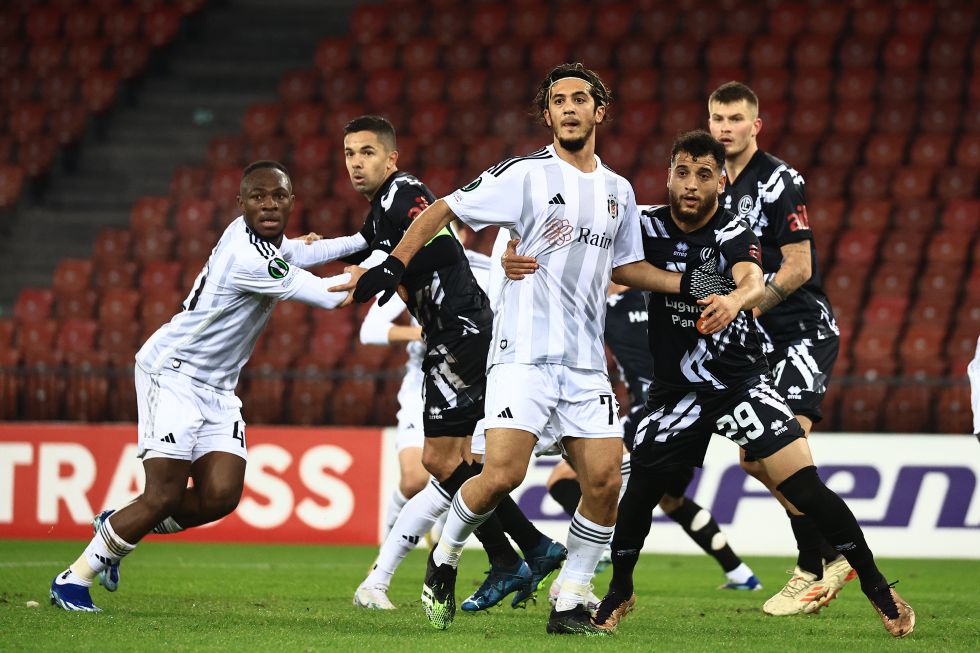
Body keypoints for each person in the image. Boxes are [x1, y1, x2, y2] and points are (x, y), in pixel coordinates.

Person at [345, 63, 720, 636]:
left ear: (601, 111)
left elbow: (626, 267)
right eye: (558, 101)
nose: (569, 108)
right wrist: (396, 262)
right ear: (547, 116)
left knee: (605, 481)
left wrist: (686, 285)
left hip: (586, 362)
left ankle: (569, 600)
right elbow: (444, 209)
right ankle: (443, 560)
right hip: (522, 357)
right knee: (499, 476)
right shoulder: (523, 174)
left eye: (580, 99)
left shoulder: (619, 192)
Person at [586, 130, 913, 639]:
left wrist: (734, 301)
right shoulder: (643, 223)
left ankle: (877, 587)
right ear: (669, 175)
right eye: (682, 173)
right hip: (676, 392)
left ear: (721, 181)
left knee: (804, 483)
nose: (691, 185)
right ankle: (621, 589)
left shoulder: (733, 226)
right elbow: (614, 262)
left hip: (739, 382)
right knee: (639, 493)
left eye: (703, 175)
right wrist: (518, 250)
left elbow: (752, 278)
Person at [49, 161, 363, 611]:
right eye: (258, 196)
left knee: (221, 495)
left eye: (279, 196)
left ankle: (119, 525)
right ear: (241, 203)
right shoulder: (247, 256)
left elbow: (303, 252)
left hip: (217, 387)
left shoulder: (263, 240)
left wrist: (370, 238)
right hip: (174, 372)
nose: (269, 204)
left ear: (292, 201)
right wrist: (385, 267)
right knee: (163, 495)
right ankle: (73, 580)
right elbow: (327, 296)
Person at [338, 116, 562, 612]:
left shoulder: (404, 191)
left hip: (458, 332)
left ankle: (516, 554)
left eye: (367, 152)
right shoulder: (379, 213)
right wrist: (323, 251)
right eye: (350, 153)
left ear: (391, 158)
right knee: (458, 464)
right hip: (458, 333)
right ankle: (525, 551)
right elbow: (363, 243)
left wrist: (389, 265)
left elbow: (434, 224)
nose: (357, 162)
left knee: (440, 462)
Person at [708, 81, 852, 616]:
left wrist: (747, 304)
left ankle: (815, 563)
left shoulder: (777, 180)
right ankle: (831, 551)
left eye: (735, 118)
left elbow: (800, 267)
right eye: (717, 118)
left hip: (801, 332)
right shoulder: (713, 182)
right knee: (751, 458)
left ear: (755, 125)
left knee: (776, 452)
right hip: (763, 341)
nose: (725, 127)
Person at [545, 282, 762, 592]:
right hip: (695, 406)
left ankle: (603, 544)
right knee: (671, 500)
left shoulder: (600, 307)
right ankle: (741, 574)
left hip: (651, 409)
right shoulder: (665, 298)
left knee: (562, 479)